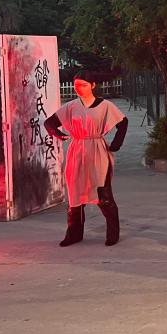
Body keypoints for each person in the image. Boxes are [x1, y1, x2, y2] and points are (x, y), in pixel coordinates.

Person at [44, 71, 127, 247]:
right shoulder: (71, 106)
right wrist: (58, 134)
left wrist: (115, 144)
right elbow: (49, 123)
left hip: (97, 149)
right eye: (76, 86)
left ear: (93, 85)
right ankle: (74, 233)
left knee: (102, 191)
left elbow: (122, 123)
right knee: (75, 192)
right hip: (77, 150)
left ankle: (113, 233)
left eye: (83, 85)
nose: (79, 89)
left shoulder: (105, 106)